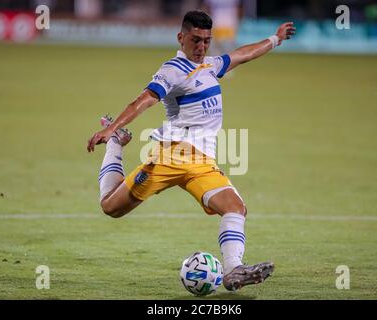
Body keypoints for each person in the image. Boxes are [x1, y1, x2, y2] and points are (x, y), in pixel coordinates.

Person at [87, 10, 295, 291]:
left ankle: (233, 270)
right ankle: (116, 144)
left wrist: (275, 39)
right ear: (181, 37)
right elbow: (144, 100)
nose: (201, 47)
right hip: (172, 157)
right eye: (195, 40)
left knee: (235, 208)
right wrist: (111, 130)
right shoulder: (173, 69)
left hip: (200, 163)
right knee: (110, 207)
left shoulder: (210, 65)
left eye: (206, 41)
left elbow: (242, 55)